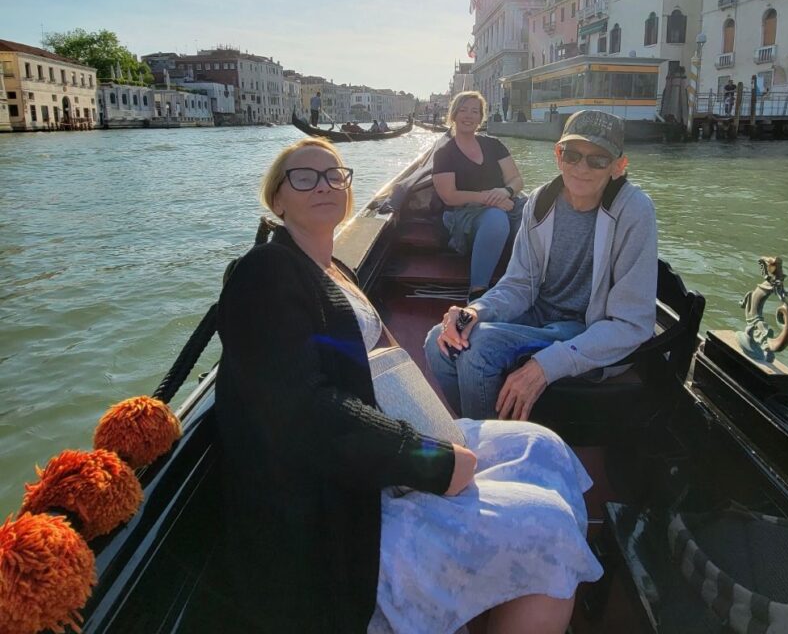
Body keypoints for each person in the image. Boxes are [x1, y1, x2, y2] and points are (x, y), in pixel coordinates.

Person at [215, 137, 603, 633]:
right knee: (547, 526)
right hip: (334, 505)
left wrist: (438, 436)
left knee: (543, 447)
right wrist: (433, 460)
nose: (323, 185)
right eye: (304, 177)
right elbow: (304, 411)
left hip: (378, 452)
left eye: (334, 175)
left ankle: (511, 599)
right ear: (278, 199)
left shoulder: (336, 270)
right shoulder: (265, 271)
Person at [425, 110, 658, 421]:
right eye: (572, 155)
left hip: (589, 327)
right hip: (540, 313)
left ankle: (490, 447)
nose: (581, 168)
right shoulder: (541, 202)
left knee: (481, 347)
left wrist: (547, 364)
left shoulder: (634, 211)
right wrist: (476, 311)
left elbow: (632, 324)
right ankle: (489, 427)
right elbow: (520, 283)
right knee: (440, 343)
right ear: (558, 155)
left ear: (618, 166)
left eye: (597, 160)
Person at [432, 91, 526, 301]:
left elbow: (516, 180)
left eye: (475, 111)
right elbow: (449, 196)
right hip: (464, 212)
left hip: (504, 201)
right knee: (496, 219)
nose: (469, 115)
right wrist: (489, 198)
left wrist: (505, 191)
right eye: (463, 110)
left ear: (481, 117)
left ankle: (530, 282)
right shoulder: (444, 153)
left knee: (535, 215)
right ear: (454, 114)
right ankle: (477, 291)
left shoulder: (494, 145)